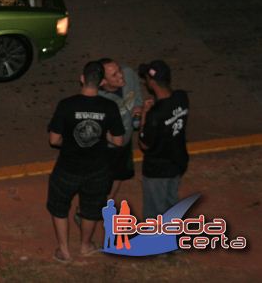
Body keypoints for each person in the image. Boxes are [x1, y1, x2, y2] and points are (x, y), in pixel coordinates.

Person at [47, 61, 124, 262]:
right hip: (97, 169)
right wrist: (101, 136)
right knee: (90, 209)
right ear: (102, 82)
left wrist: (69, 140)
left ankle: (64, 250)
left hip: (67, 167)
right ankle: (85, 246)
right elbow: (118, 140)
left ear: (82, 78)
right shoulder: (109, 106)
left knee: (59, 206)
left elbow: (54, 140)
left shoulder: (67, 105)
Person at [138, 60, 190, 219]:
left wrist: (144, 114)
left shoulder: (155, 115)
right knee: (171, 203)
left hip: (157, 170)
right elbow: (169, 107)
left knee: (154, 212)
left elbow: (144, 144)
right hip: (177, 162)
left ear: (152, 83)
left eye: (147, 78)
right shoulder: (182, 97)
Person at [98, 58, 143, 199]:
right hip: (105, 147)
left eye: (119, 70)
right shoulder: (98, 100)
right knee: (99, 181)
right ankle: (86, 210)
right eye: (114, 75)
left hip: (125, 140)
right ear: (103, 82)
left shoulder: (128, 74)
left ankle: (109, 201)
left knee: (119, 173)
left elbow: (137, 96)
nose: (121, 75)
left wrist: (138, 109)